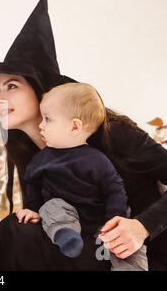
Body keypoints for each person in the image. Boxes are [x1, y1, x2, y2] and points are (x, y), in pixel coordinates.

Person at [0, 0, 167, 270]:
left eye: (12, 86)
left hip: (148, 259)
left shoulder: (110, 132)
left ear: (40, 87)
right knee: (16, 227)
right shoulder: (33, 158)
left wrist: (142, 227)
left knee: (16, 233)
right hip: (90, 252)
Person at [20, 82, 147, 270]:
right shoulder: (42, 159)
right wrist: (32, 208)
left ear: (74, 126)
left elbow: (114, 190)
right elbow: (32, 182)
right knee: (52, 207)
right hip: (68, 215)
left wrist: (114, 220)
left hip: (101, 220)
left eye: (47, 119)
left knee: (127, 248)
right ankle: (66, 236)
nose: (40, 126)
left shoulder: (97, 159)